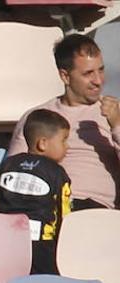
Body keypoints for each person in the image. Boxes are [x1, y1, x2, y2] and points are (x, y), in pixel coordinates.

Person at [10, 34, 120, 211]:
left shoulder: (116, 112)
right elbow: (14, 172)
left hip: (93, 209)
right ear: (65, 76)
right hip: (44, 206)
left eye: (101, 70)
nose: (98, 81)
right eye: (88, 74)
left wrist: (117, 126)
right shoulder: (38, 118)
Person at [0, 109, 73, 275]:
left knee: (7, 279)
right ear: (43, 144)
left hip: (6, 240)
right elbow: (64, 215)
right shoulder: (57, 174)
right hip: (41, 244)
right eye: (64, 140)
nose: (67, 147)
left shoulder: (7, 165)